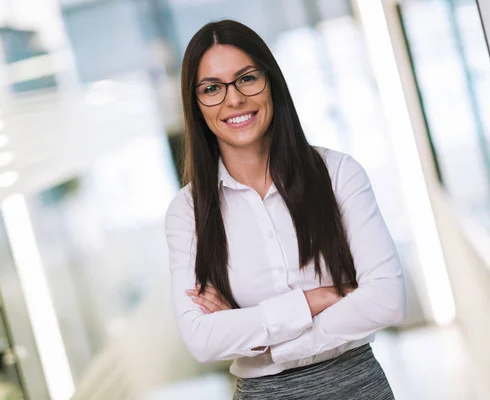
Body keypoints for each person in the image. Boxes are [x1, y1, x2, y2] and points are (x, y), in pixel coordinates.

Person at [164, 19, 406, 400]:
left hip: (357, 387)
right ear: (196, 106)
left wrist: (261, 336)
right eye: (212, 88)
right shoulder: (187, 213)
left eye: (246, 78)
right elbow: (202, 339)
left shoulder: (337, 173)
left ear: (271, 81)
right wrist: (312, 301)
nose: (234, 99)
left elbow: (387, 299)